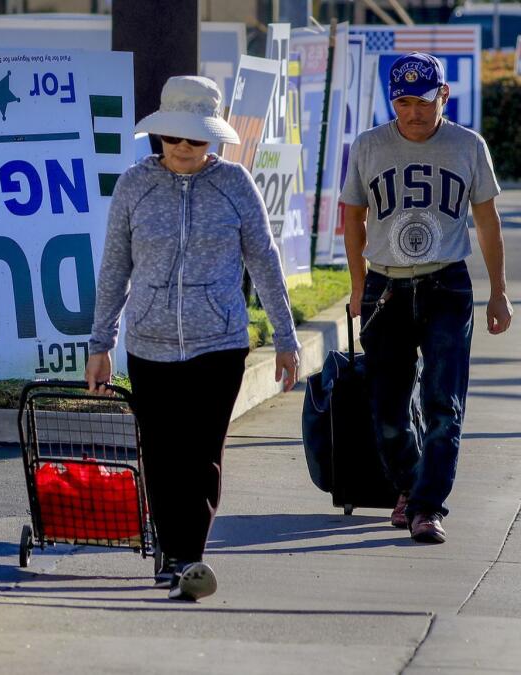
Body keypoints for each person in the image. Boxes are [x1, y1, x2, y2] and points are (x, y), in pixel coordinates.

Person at [86, 76, 300, 601]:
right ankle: (170, 549)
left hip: (220, 341)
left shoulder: (235, 183)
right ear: (158, 134)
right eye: (174, 137)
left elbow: (265, 260)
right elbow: (115, 267)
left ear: (214, 140)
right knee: (160, 452)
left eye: (196, 139)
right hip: (149, 343)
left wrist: (287, 337)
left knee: (202, 453)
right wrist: (99, 343)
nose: (183, 148)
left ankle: (189, 557)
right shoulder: (134, 186)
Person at [340, 52, 511, 544]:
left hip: (446, 286)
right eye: (403, 101)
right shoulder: (370, 146)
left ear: (444, 96)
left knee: (443, 405)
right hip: (385, 288)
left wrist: (498, 293)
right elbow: (352, 217)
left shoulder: (467, 145)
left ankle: (426, 507)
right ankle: (412, 487)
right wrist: (357, 287)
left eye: (424, 100)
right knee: (388, 412)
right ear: (392, 101)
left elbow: (487, 221)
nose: (413, 112)